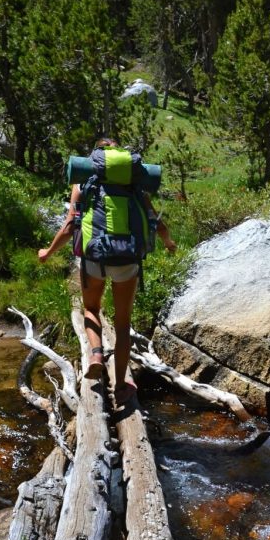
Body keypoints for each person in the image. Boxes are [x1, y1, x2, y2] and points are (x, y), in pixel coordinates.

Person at [38, 138, 176, 404]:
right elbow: (157, 223)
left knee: (90, 308)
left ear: (95, 160)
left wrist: (48, 252)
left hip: (94, 259)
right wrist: (169, 243)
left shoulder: (83, 183)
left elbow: (69, 226)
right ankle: (122, 386)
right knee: (123, 324)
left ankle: (97, 355)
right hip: (128, 260)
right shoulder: (134, 186)